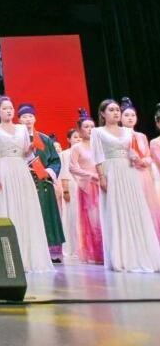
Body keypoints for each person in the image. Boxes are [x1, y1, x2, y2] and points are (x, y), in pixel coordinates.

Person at [91, 99, 160, 272]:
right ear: (102, 114)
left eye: (117, 110)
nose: (116, 112)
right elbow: (97, 156)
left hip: (130, 172)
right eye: (111, 110)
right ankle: (122, 256)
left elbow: (136, 151)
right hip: (111, 171)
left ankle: (142, 253)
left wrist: (136, 157)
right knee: (116, 211)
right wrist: (102, 176)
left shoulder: (128, 132)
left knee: (135, 209)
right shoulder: (97, 132)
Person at [0, 96, 54, 272]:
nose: (8, 111)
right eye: (4, 108)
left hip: (21, 171)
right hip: (5, 171)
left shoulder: (22, 129)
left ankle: (28, 255)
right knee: (8, 208)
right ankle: (9, 256)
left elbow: (27, 155)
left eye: (10, 108)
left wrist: (30, 148)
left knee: (26, 209)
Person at [18, 103, 66, 263]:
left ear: (35, 118)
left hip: (43, 181)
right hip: (25, 181)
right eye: (24, 117)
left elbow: (55, 161)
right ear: (19, 120)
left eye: (30, 116)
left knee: (47, 214)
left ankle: (52, 251)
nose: (28, 119)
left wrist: (48, 172)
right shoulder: (17, 139)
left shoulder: (45, 139)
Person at [121, 97, 160, 241]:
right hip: (129, 174)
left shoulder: (142, 136)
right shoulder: (118, 136)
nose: (130, 118)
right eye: (126, 115)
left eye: (133, 115)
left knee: (148, 207)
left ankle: (151, 239)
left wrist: (142, 161)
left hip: (144, 175)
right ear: (120, 117)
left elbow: (149, 157)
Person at [69, 111, 103, 264]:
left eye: (92, 126)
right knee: (94, 221)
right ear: (80, 130)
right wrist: (90, 175)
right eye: (86, 127)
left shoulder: (99, 145)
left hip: (102, 183)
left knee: (105, 219)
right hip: (88, 187)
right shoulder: (77, 147)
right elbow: (72, 168)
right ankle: (97, 253)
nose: (90, 129)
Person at [57, 129, 78, 260]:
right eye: (75, 137)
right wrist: (65, 190)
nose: (78, 139)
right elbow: (63, 173)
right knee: (71, 217)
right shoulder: (65, 154)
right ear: (69, 140)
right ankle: (72, 247)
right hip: (71, 186)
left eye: (80, 137)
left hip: (85, 185)